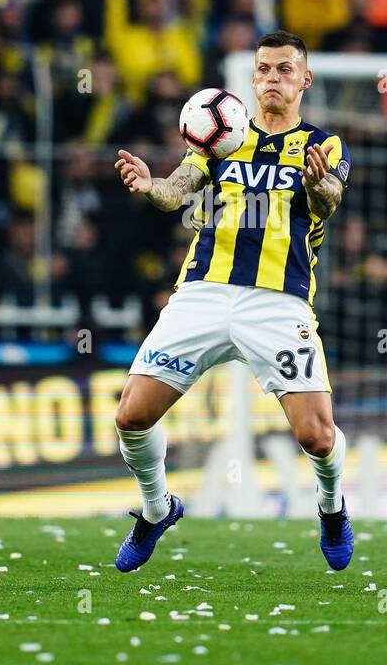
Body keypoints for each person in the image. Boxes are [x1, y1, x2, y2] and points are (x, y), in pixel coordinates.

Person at [111, 31, 354, 572]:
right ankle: (157, 509)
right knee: (131, 415)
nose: (273, 78)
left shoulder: (323, 146)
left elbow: (329, 201)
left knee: (316, 436)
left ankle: (332, 507)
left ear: (304, 80)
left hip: (279, 302)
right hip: (203, 293)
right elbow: (178, 190)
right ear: (252, 79)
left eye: (285, 69)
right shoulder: (221, 136)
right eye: (264, 69)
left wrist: (317, 184)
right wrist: (151, 186)